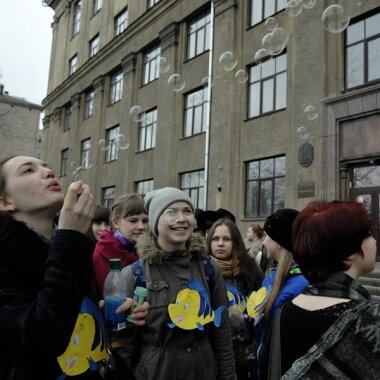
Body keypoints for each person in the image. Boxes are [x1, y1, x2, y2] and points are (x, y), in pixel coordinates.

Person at [0, 156, 148, 380]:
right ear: (5, 202)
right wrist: (70, 237)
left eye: (47, 166)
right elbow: (41, 337)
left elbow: (72, 319)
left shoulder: (67, 248)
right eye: (28, 171)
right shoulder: (13, 257)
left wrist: (109, 314)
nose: (48, 172)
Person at [121, 187, 237, 380]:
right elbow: (125, 345)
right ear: (156, 221)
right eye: (171, 212)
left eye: (187, 211)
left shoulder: (208, 268)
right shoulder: (135, 274)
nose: (181, 218)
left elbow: (222, 334)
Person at [263, 200, 380, 379]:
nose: (374, 240)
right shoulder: (370, 319)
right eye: (368, 234)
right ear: (349, 252)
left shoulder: (284, 310)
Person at [249, 208, 308, 379]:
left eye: (267, 236)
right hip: (261, 365)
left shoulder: (301, 284)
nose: (264, 242)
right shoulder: (271, 275)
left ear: (279, 241)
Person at [207, 218, 264, 380]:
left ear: (236, 242)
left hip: (243, 355)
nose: (220, 243)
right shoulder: (201, 271)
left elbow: (260, 313)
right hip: (211, 355)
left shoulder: (251, 271)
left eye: (226, 239)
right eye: (215, 239)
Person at [93, 193, 149, 299]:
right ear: (116, 222)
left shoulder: (150, 252)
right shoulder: (101, 253)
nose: (141, 226)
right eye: (133, 220)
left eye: (145, 221)